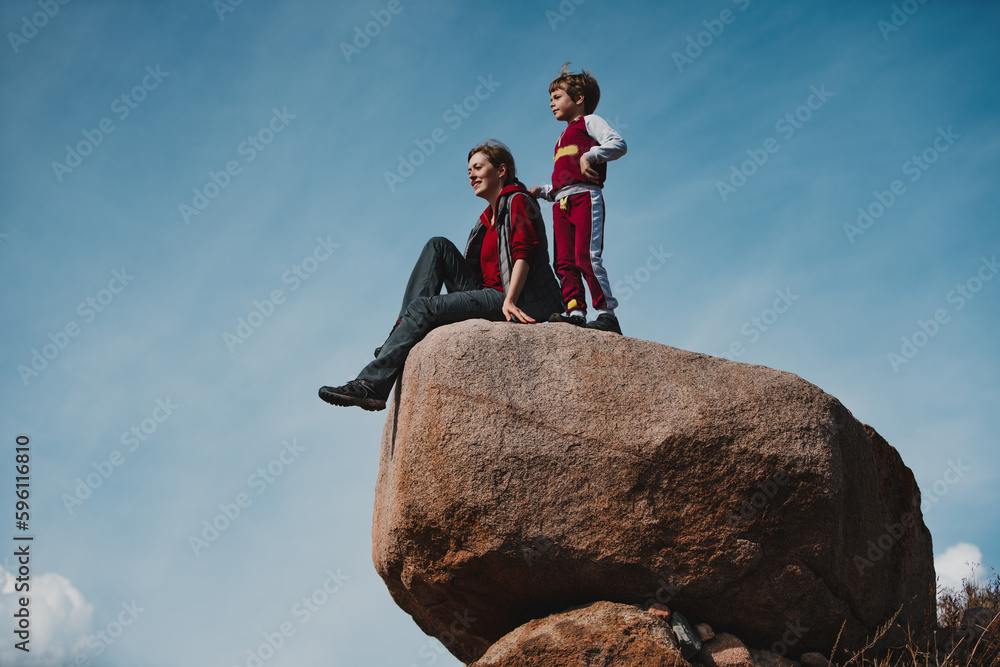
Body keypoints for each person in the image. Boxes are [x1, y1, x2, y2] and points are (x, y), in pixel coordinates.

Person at [318, 140, 562, 411]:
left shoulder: (518, 201)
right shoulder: (485, 220)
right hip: (489, 290)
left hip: (514, 297)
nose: (471, 175)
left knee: (425, 308)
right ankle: (399, 331)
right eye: (469, 170)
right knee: (438, 245)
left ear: (501, 170)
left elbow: (523, 253)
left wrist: (511, 299)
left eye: (478, 167)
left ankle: (371, 386)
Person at [530, 63, 627, 335]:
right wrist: (542, 191)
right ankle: (575, 311)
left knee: (587, 256)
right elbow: (563, 182)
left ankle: (607, 313)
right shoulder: (561, 137)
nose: (551, 103)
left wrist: (590, 155)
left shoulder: (590, 122)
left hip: (586, 198)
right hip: (562, 204)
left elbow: (619, 144)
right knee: (563, 261)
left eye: (557, 97)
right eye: (550, 99)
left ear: (579, 98)